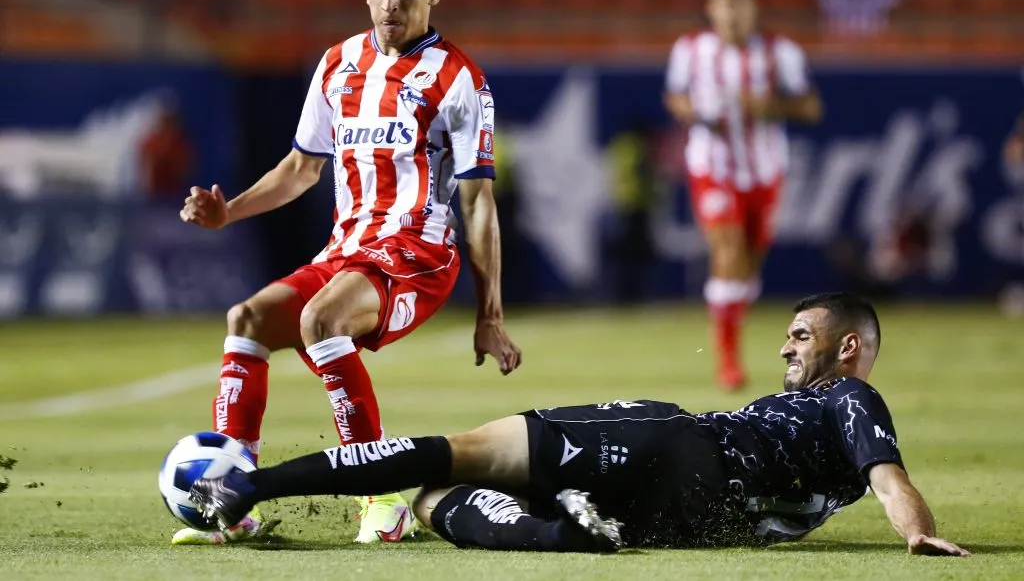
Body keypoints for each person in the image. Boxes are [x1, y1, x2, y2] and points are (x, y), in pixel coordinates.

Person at [176, 0, 522, 545]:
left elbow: (478, 201)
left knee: (320, 321)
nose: (392, 4)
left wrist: (489, 313)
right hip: (347, 252)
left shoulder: (457, 78)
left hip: (417, 254)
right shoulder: (338, 65)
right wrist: (230, 213)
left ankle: (381, 498)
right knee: (247, 319)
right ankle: (232, 498)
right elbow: (301, 168)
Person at [190, 293, 970, 557]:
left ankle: (250, 483)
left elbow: (890, 476)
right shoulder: (827, 424)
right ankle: (559, 531)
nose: (785, 344)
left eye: (802, 335)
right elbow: (872, 479)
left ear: (849, 347)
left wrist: (916, 532)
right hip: (696, 523)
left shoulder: (851, 398)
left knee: (451, 457)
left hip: (681, 442)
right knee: (438, 499)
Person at [663, 0, 823, 391]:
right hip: (713, 167)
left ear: (753, 8)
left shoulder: (778, 52)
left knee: (748, 265)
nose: (731, 13)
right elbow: (676, 95)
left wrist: (766, 105)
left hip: (765, 170)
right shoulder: (691, 50)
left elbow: (810, 106)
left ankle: (731, 319)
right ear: (710, 9)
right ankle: (728, 360)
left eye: (739, 3)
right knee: (729, 252)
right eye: (722, 3)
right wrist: (695, 113)